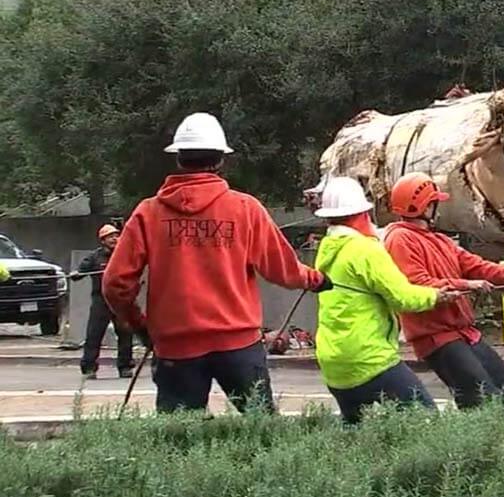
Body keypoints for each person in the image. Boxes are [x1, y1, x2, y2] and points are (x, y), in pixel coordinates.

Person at [102, 112, 332, 414]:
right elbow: (282, 269)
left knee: (179, 441)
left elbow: (115, 283)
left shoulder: (149, 213)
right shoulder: (244, 208)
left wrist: (139, 324)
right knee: (260, 433)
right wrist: (316, 280)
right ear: (221, 159)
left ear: (179, 158)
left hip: (176, 346)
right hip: (238, 345)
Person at [384, 171, 504, 409]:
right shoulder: (400, 239)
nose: (438, 208)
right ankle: (484, 445)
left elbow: (478, 266)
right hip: (437, 337)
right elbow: (417, 284)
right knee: (483, 401)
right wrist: (467, 284)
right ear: (424, 206)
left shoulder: (439, 240)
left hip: (463, 332)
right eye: (434, 203)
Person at [312, 176, 463, 423]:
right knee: (426, 420)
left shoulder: (328, 248)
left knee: (356, 432)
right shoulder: (365, 251)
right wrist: (437, 295)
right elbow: (402, 297)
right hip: (370, 358)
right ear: (363, 213)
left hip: (334, 361)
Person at [72, 224, 133, 379]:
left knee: (126, 334)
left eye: (116, 235)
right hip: (101, 300)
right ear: (103, 240)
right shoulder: (94, 257)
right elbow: (81, 272)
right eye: (110, 236)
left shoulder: (125, 255)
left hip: (121, 299)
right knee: (94, 334)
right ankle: (89, 368)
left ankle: (125, 367)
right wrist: (76, 274)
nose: (114, 239)